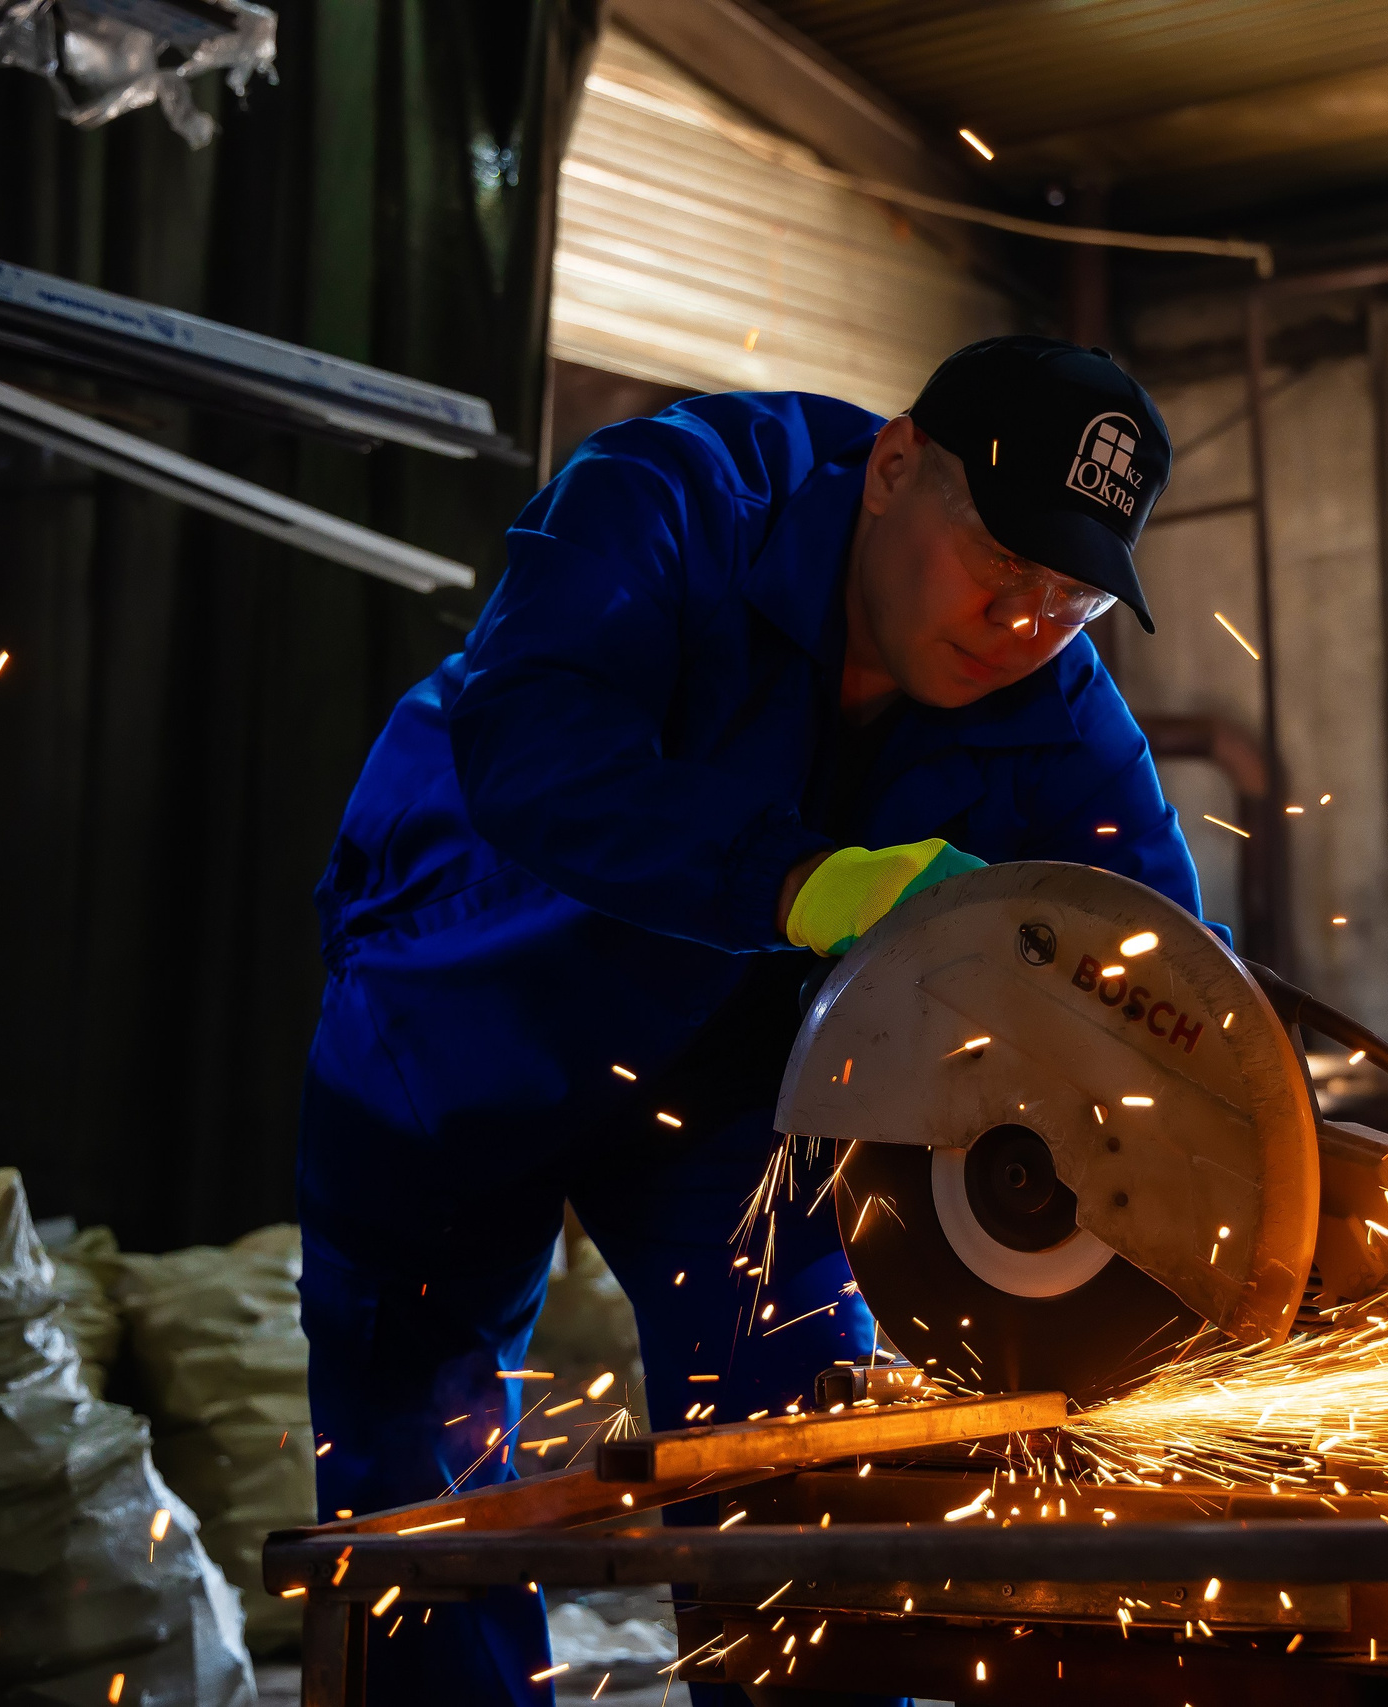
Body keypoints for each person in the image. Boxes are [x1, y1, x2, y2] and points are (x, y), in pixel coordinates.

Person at [297, 335, 1216, 1703]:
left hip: (731, 1089)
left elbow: (1167, 984)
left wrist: (1251, 1170)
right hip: (459, 1014)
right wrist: (802, 880)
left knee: (792, 1461)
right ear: (897, 465)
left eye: (1072, 598)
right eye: (1003, 564)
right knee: (421, 1475)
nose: (1024, 620)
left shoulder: (1059, 712)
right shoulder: (674, 496)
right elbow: (535, 749)